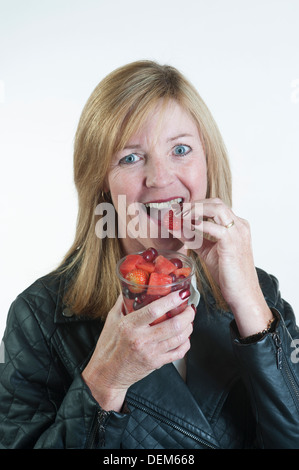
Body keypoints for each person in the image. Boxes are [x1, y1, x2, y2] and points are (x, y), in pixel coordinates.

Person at [0, 60, 299, 450]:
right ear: (102, 185)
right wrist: (105, 381)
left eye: (180, 149)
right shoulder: (37, 317)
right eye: (130, 157)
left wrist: (252, 309)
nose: (160, 178)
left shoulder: (260, 291)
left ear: (208, 162)